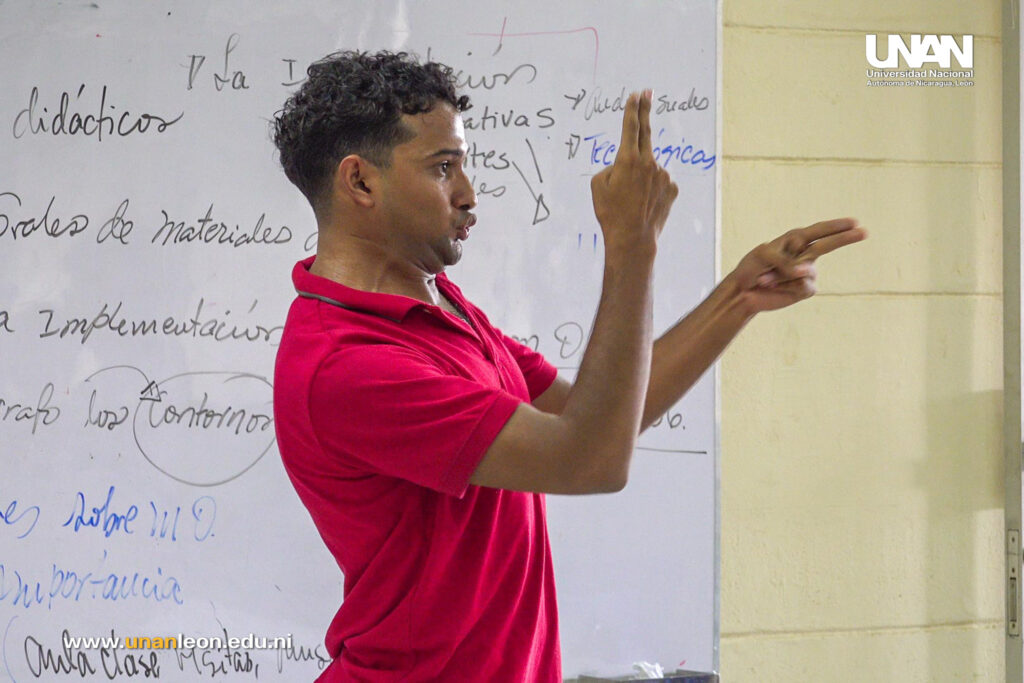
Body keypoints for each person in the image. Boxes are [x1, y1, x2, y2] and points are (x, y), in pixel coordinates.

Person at [271, 50, 866, 682]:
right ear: (360, 182)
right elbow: (591, 460)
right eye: (443, 169)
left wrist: (739, 295)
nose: (469, 195)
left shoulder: (438, 307)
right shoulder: (349, 364)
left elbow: (596, 415)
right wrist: (632, 246)